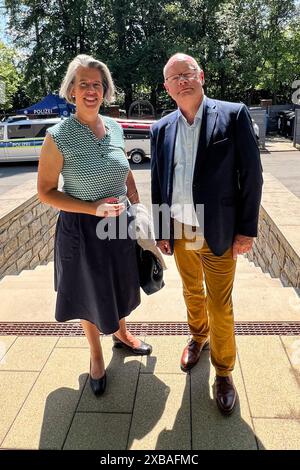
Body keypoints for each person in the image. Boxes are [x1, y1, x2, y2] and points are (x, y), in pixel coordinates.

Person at [151, 53, 263, 415]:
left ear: (201, 76)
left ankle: (224, 371)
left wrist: (246, 231)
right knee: (190, 292)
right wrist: (163, 228)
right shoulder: (161, 128)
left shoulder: (232, 114)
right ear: (167, 88)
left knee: (220, 303)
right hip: (181, 230)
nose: (182, 80)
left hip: (218, 230)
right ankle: (198, 337)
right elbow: (158, 182)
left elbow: (252, 176)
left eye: (187, 73)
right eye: (174, 77)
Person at [37, 54, 152, 397]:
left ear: (105, 91)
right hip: (83, 230)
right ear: (71, 91)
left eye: (97, 85)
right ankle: (96, 355)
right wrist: (92, 208)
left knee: (119, 284)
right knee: (89, 291)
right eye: (83, 84)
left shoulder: (115, 126)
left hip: (119, 226)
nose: (91, 90)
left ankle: (121, 334)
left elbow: (125, 170)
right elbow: (45, 192)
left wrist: (137, 201)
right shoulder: (57, 136)